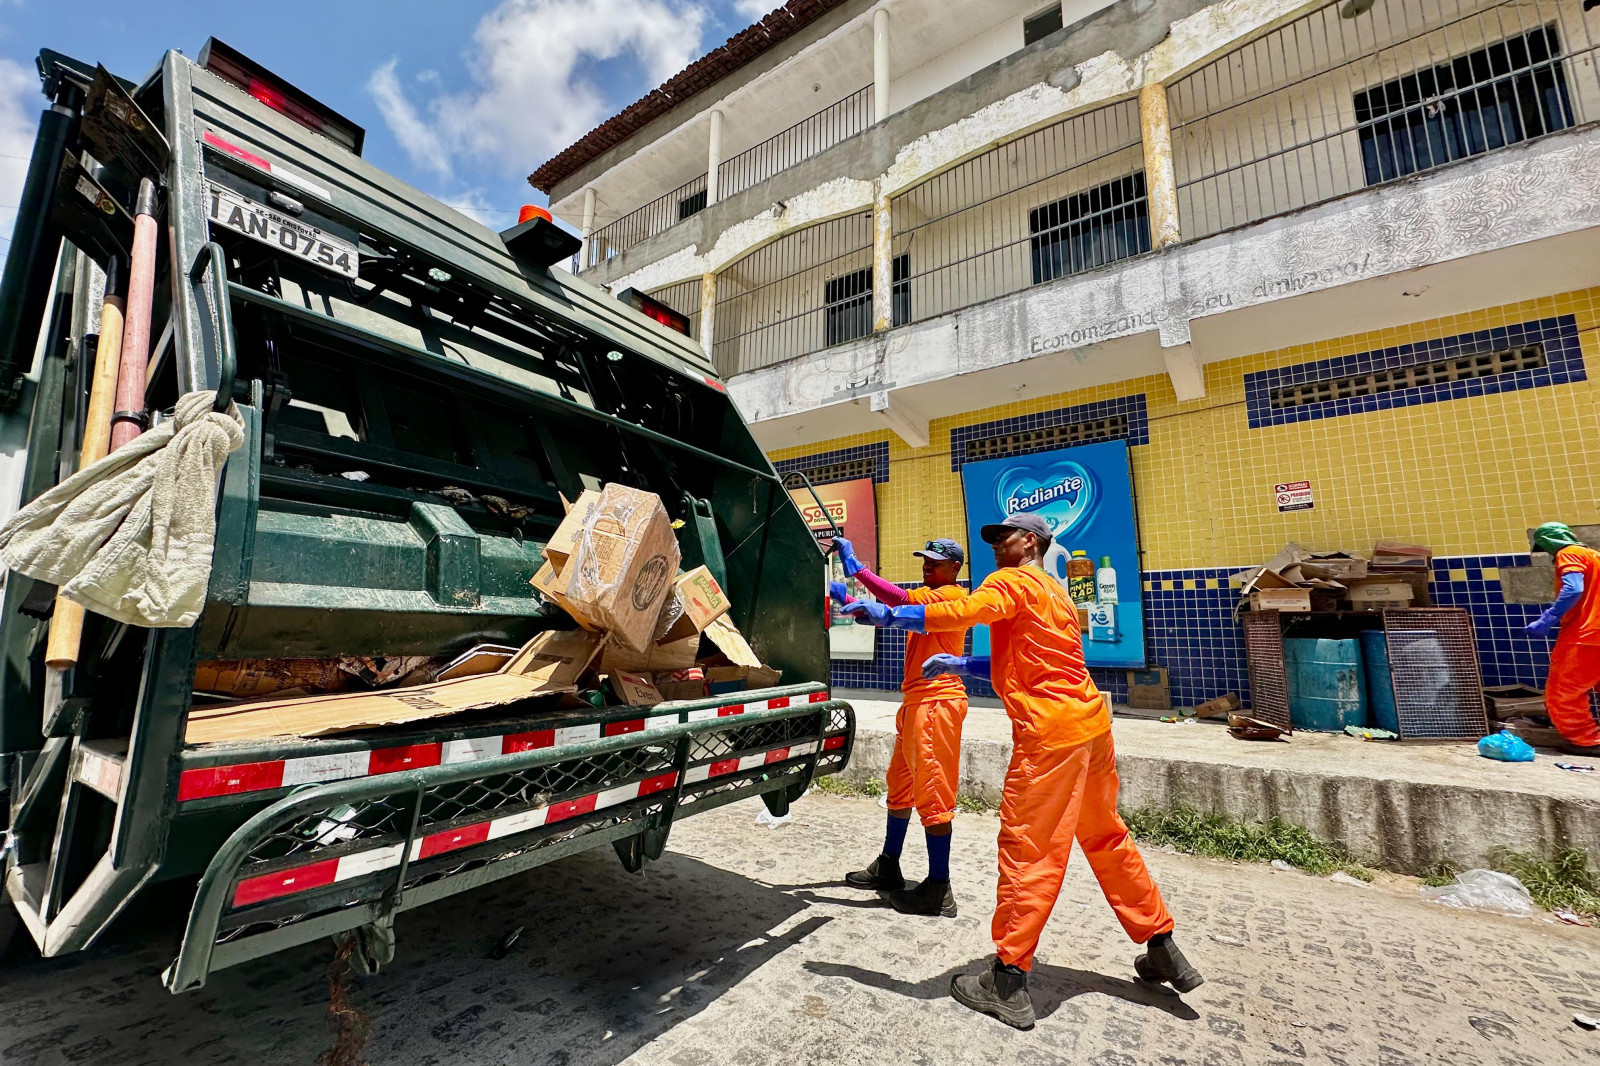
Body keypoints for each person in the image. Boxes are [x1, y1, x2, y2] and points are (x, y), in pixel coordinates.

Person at [845, 512, 1200, 1030]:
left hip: (1050, 737)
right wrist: (960, 666)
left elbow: (967, 610)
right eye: (990, 539)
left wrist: (887, 616)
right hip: (1091, 728)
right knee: (1105, 836)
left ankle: (1007, 979)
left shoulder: (1010, 581)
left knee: (1029, 848)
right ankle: (1161, 944)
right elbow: (1034, 661)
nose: (993, 546)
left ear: (1029, 542)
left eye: (1002, 537)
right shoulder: (1055, 594)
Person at [829, 535, 969, 917]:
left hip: (937, 703)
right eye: (925, 559)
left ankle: (939, 889)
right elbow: (897, 603)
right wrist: (848, 595)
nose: (928, 565)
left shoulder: (949, 598)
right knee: (901, 786)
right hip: (916, 702)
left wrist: (856, 568)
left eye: (936, 562)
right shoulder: (929, 593)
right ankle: (889, 865)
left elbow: (898, 601)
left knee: (934, 795)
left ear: (955, 568)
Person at [1526, 522, 1600, 752]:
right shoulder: (1595, 556)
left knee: (1563, 691)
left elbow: (1573, 588)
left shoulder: (1569, 553)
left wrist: (1548, 618)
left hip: (1585, 635)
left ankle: (1587, 741)